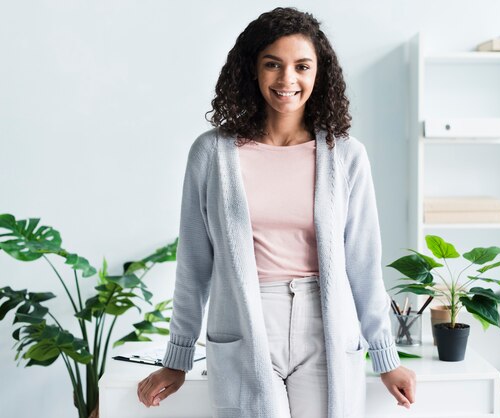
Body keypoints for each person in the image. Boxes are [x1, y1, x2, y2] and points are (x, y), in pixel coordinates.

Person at [137, 7, 416, 418]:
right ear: (252, 70)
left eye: (302, 66)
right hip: (245, 326)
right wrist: (177, 357)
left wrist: (386, 357)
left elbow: (362, 263)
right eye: (273, 65)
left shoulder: (347, 156)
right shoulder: (212, 152)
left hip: (325, 327)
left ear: (319, 73)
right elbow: (194, 264)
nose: (288, 80)